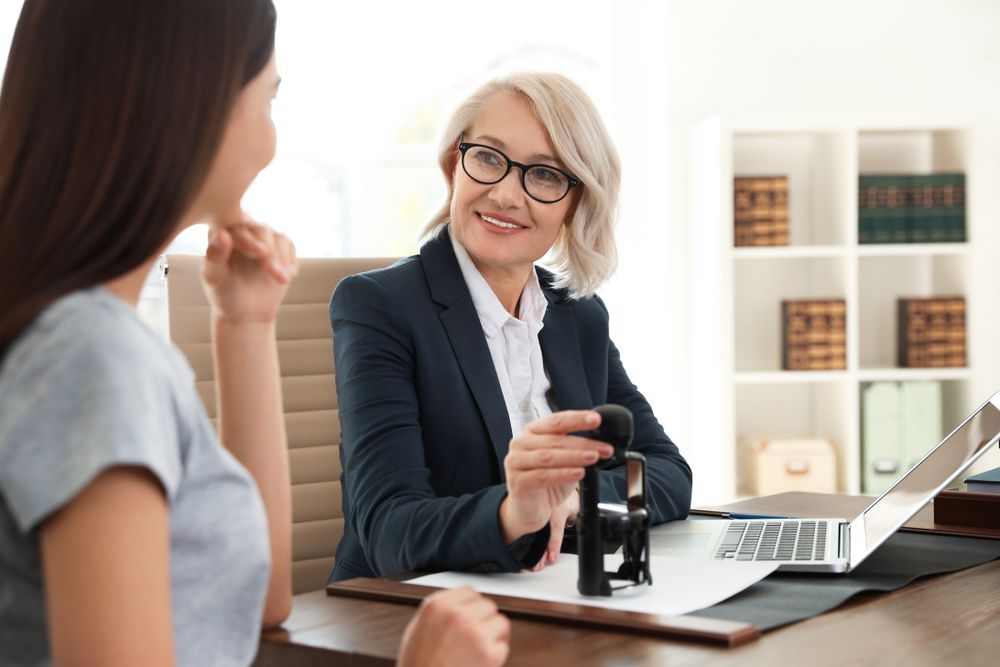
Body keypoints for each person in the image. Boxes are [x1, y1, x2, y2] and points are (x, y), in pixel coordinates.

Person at [0, 2, 509, 666]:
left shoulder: (84, 337)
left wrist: (244, 323)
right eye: (269, 97)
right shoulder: (95, 358)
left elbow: (256, 600)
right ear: (192, 102)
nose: (273, 140)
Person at [330, 72, 692, 583]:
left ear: (576, 203)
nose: (505, 194)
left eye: (544, 175)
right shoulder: (380, 307)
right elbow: (389, 532)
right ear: (455, 164)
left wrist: (574, 498)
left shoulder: (578, 315)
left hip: (555, 594)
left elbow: (668, 473)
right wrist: (511, 513)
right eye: (488, 158)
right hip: (411, 614)